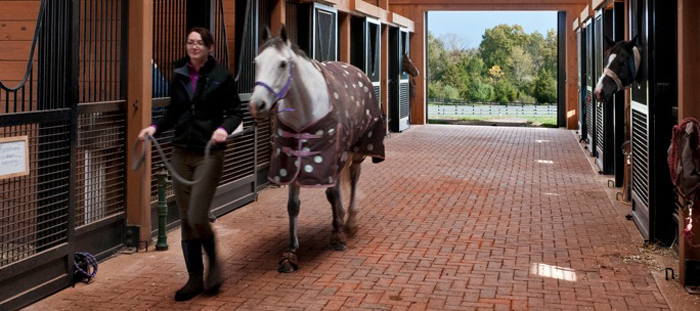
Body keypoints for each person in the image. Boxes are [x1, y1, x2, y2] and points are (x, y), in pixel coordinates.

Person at [138, 27, 242, 301]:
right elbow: (174, 112)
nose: (193, 47)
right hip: (181, 151)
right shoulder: (180, 74)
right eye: (190, 42)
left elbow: (234, 113)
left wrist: (223, 129)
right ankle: (195, 278)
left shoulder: (222, 76)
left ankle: (214, 264)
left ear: (209, 47)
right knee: (186, 219)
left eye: (199, 43)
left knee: (197, 215)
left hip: (210, 152)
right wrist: (154, 128)